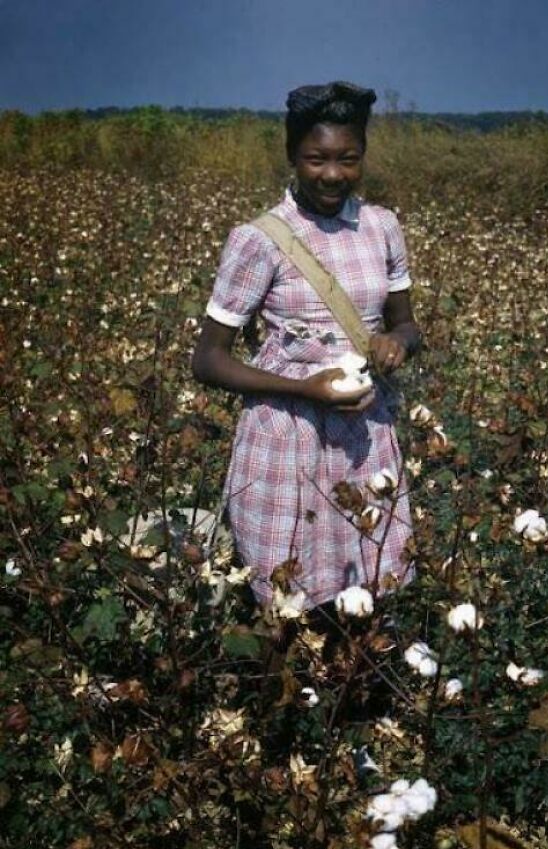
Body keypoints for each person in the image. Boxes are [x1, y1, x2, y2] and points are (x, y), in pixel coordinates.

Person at [191, 81, 421, 609]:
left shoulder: (382, 227)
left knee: (368, 590)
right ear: (293, 155)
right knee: (286, 598)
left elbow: (409, 325)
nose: (333, 174)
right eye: (317, 159)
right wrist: (304, 388)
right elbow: (207, 360)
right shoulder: (258, 239)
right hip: (287, 438)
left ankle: (355, 688)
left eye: (348, 158)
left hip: (367, 433)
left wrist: (396, 344)